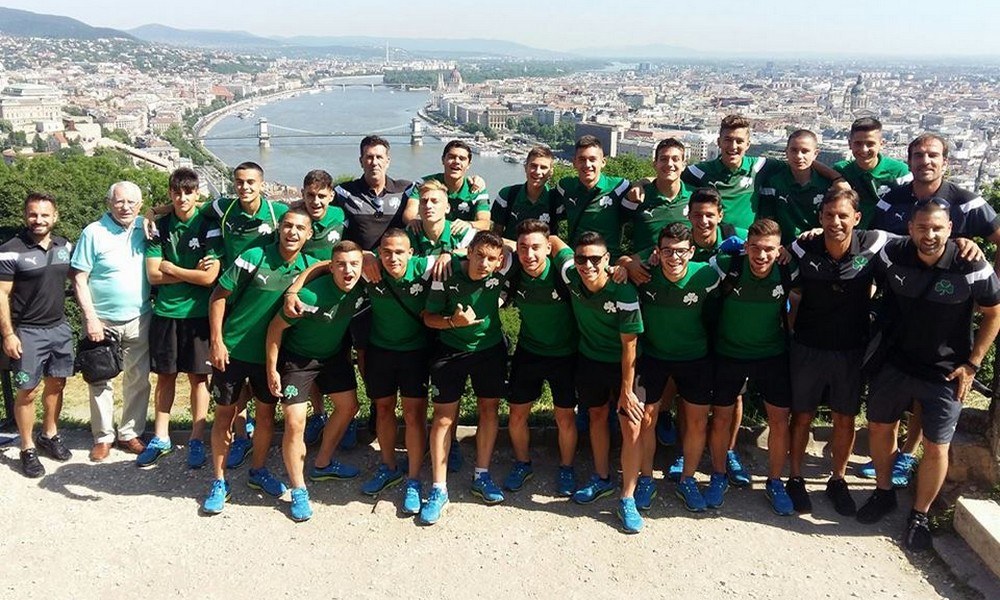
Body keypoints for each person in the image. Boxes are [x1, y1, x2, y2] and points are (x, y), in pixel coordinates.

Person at [858, 198, 1000, 553]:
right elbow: (857, 244)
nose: (930, 234)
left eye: (937, 228)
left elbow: (994, 314)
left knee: (937, 446)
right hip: (895, 362)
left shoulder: (971, 264)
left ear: (950, 229)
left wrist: (972, 364)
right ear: (910, 228)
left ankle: (919, 514)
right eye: (922, 227)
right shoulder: (893, 254)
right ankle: (883, 492)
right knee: (880, 427)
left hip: (945, 372)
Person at [861, 133, 1000, 487]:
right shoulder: (892, 200)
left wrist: (989, 286)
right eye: (919, 155)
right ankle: (889, 460)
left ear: (945, 161)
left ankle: (908, 455)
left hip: (948, 311)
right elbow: (875, 244)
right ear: (908, 161)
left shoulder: (966, 202)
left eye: (933, 155)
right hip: (900, 307)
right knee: (893, 389)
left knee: (929, 388)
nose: (925, 161)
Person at [201, 209, 316, 515]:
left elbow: (333, 265)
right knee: (224, 416)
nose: (292, 232)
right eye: (287, 226)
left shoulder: (308, 267)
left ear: (309, 235)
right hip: (233, 350)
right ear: (279, 228)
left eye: (300, 228)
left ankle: (258, 471)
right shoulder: (255, 256)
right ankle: (219, 481)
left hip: (270, 359)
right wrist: (217, 341)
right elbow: (218, 296)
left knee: (266, 417)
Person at [785, 189, 892, 515]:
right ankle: (795, 478)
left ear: (856, 218)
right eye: (829, 215)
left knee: (844, 418)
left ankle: (838, 479)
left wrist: (962, 242)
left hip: (850, 349)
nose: (836, 222)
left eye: (843, 215)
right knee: (801, 415)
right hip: (808, 346)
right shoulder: (803, 246)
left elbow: (920, 239)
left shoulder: (873, 243)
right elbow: (778, 262)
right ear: (820, 217)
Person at [264, 241, 366, 522]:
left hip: (333, 356)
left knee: (349, 406)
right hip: (298, 360)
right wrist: (272, 369)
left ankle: (322, 463)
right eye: (341, 265)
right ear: (331, 267)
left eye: (354, 264)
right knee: (295, 422)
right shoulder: (309, 294)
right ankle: (298, 490)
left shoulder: (361, 287)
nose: (348, 271)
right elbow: (275, 329)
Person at [419, 231, 514, 525]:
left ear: (499, 262)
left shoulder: (501, 271)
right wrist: (453, 322)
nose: (484, 263)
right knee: (443, 419)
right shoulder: (446, 274)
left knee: (489, 410)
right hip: (450, 351)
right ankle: (438, 488)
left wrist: (454, 250)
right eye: (479, 255)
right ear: (469, 252)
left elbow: (520, 246)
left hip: (490, 351)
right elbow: (428, 317)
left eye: (491, 259)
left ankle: (481, 476)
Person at [203, 161, 289, 469]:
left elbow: (303, 224)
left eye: (251, 182)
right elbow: (195, 211)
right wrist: (153, 213)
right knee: (232, 390)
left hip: (264, 304)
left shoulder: (278, 213)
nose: (245, 187)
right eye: (239, 182)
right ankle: (240, 436)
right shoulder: (224, 208)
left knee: (263, 398)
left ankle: (256, 459)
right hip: (232, 302)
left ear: (262, 184)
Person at [333, 136, 416, 450]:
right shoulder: (344, 193)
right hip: (359, 286)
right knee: (363, 350)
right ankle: (368, 409)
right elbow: (320, 216)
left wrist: (477, 185)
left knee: (398, 346)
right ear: (360, 161)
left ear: (388, 160)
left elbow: (430, 199)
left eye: (380, 157)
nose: (374, 162)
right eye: (368, 157)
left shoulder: (405, 189)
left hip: (396, 286)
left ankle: (397, 415)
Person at [561, 231, 647, 533]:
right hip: (590, 359)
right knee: (597, 415)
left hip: (627, 363)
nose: (588, 265)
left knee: (631, 424)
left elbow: (630, 346)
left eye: (596, 259)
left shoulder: (623, 291)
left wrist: (626, 390)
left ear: (607, 259)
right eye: (582, 258)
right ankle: (602, 478)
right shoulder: (571, 274)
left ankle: (628, 497)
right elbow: (554, 242)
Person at [710, 218, 795, 515]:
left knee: (780, 420)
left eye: (769, 249)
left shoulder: (789, 269)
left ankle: (775, 481)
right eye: (755, 248)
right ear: (745, 247)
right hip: (728, 353)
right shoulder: (726, 266)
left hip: (772, 354)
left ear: (779, 250)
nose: (761, 255)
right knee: (721, 418)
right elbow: (686, 267)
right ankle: (718, 475)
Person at [139, 168, 221, 469]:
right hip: (166, 312)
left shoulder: (209, 224)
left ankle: (197, 438)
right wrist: (191, 274)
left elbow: (209, 277)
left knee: (199, 378)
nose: (182, 198)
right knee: (165, 376)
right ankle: (161, 437)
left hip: (198, 314)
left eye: (188, 192)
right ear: (170, 193)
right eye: (176, 192)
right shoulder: (158, 225)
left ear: (197, 193)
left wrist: (172, 268)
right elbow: (153, 275)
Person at [635, 223, 720, 513]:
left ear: (692, 252)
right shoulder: (645, 275)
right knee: (646, 419)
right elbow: (623, 263)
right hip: (653, 356)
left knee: (697, 422)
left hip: (695, 357)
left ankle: (688, 479)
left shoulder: (707, 275)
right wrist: (629, 262)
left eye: (681, 251)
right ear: (657, 252)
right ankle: (646, 478)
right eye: (668, 251)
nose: (674, 258)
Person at [355, 230, 435, 513]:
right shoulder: (370, 270)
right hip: (381, 351)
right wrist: (364, 256)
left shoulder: (423, 267)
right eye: (386, 252)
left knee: (414, 415)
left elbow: (466, 256)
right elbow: (331, 262)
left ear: (411, 253)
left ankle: (413, 478)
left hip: (415, 352)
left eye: (399, 252)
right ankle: (388, 466)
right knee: (383, 409)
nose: (393, 258)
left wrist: (449, 256)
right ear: (379, 253)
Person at [70, 181, 151, 462]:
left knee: (138, 378)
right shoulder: (93, 232)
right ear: (109, 204)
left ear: (140, 205)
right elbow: (79, 278)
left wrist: (153, 213)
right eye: (119, 201)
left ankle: (130, 433)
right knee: (100, 378)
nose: (125, 207)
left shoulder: (145, 226)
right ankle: (103, 437)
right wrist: (90, 318)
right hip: (101, 319)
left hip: (140, 316)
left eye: (131, 202)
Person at [0, 192, 74, 477]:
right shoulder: (10, 250)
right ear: (25, 216)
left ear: (55, 217)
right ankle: (27, 447)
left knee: (57, 385)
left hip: (59, 328)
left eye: (45, 215)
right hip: (27, 332)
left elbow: (80, 279)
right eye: (33, 214)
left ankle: (49, 434)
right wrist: (8, 334)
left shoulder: (65, 246)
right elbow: (2, 295)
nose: (38, 220)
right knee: (27, 391)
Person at [503, 219, 578, 495]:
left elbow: (566, 249)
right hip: (529, 352)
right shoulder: (514, 273)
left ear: (548, 248)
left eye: (536, 247)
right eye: (523, 247)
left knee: (565, 417)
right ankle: (522, 463)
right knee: (516, 414)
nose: (529, 254)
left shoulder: (562, 272)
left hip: (566, 354)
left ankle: (567, 468)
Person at [682, 115, 840, 231]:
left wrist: (837, 179)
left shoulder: (758, 167)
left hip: (749, 246)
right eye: (728, 140)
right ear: (719, 142)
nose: (733, 146)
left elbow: (799, 162)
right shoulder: (699, 172)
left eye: (739, 141)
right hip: (715, 242)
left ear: (748, 144)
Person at [297, 169, 348, 447]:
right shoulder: (294, 217)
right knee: (309, 357)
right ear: (302, 195)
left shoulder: (341, 216)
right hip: (306, 297)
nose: (315, 201)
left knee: (341, 354)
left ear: (331, 195)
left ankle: (347, 417)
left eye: (321, 196)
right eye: (310, 195)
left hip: (338, 297)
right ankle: (318, 413)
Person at [554, 136, 632, 258]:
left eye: (592, 159)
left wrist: (642, 182)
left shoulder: (619, 187)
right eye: (582, 159)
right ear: (574, 162)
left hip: (608, 262)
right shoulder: (565, 187)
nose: (587, 165)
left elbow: (655, 184)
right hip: (578, 261)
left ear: (603, 162)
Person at [833, 117, 911, 228]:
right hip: (853, 233)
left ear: (882, 144)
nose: (864, 149)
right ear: (850, 144)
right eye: (858, 143)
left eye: (870, 144)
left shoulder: (899, 172)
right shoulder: (842, 170)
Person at [759, 130, 833, 243]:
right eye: (794, 150)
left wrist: (822, 230)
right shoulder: (773, 183)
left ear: (815, 154)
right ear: (786, 152)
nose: (799, 156)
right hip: (783, 247)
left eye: (805, 151)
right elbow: (767, 221)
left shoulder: (827, 185)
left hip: (817, 245)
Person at [404, 140, 491, 231]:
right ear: (443, 160)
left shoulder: (476, 189)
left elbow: (485, 223)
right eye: (452, 157)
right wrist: (413, 221)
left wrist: (468, 224)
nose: (456, 161)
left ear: (468, 164)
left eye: (462, 159)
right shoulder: (424, 184)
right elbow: (409, 212)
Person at [491, 146, 561, 239]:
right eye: (533, 166)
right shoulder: (507, 195)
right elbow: (496, 233)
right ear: (525, 167)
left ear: (551, 172)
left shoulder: (557, 201)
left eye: (543, 167)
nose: (537, 171)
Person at [408, 180, 477, 258]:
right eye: (424, 201)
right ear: (418, 208)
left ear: (447, 208)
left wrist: (450, 254)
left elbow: (480, 253)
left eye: (435, 201)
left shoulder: (461, 232)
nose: (428, 205)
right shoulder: (409, 235)